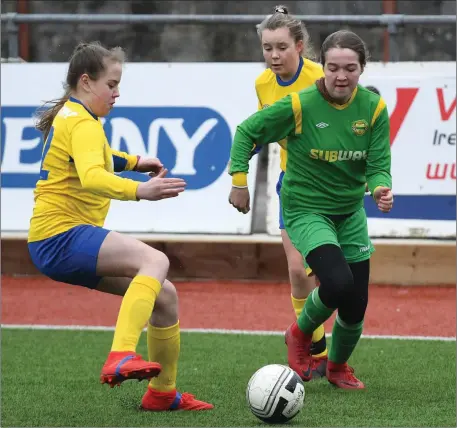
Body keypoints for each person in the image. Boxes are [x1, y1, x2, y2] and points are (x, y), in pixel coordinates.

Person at [28, 41, 213, 411]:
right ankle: (121, 355)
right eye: (111, 84)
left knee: (165, 295)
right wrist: (140, 190)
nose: (117, 92)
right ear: (86, 81)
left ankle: (162, 392)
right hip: (61, 235)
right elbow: (93, 175)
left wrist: (134, 160)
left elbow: (97, 157)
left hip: (55, 240)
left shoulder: (77, 116)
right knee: (155, 262)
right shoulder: (80, 120)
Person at [229, 30, 393, 389]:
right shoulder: (300, 105)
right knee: (336, 283)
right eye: (333, 67)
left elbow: (378, 164)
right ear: (323, 68)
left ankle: (336, 368)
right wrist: (239, 181)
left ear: (362, 69)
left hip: (350, 211)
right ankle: (298, 334)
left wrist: (380, 187)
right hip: (306, 209)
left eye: (350, 68)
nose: (340, 76)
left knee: (355, 304)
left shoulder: (374, 108)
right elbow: (246, 132)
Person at [232, 4, 329, 377]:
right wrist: (240, 172)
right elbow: (261, 130)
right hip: (295, 184)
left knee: (336, 277)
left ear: (300, 46)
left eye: (281, 47)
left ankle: (329, 352)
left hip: (335, 188)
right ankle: (315, 348)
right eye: (267, 48)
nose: (273, 55)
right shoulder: (262, 84)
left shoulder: (322, 78)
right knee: (299, 269)